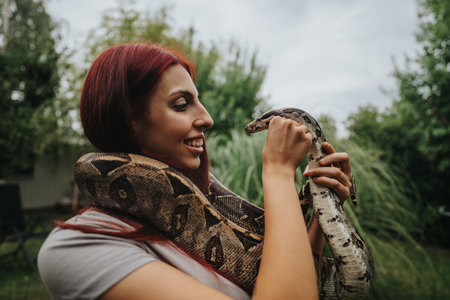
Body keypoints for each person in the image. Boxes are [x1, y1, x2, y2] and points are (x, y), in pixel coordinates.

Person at [38, 42, 355, 300]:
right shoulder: (76, 248)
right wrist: (278, 173)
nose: (207, 118)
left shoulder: (199, 207)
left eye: (198, 101)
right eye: (181, 104)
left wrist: (319, 214)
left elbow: (293, 287)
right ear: (127, 120)